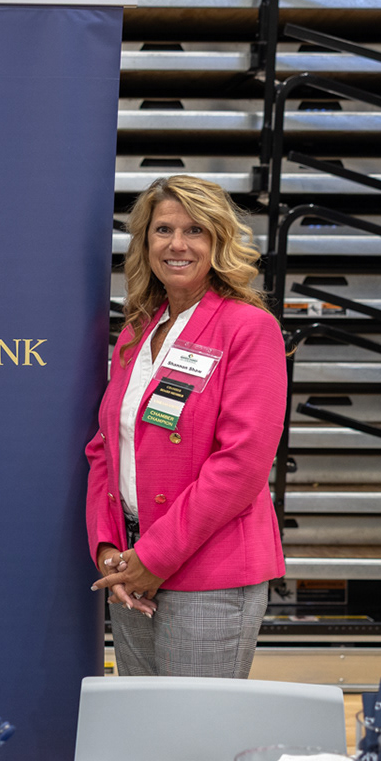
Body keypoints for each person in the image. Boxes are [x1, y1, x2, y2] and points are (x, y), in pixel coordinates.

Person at [85, 175, 288, 678]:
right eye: (163, 230)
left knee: (196, 727)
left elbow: (241, 466)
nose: (177, 244)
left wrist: (154, 558)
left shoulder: (248, 328)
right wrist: (109, 548)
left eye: (195, 230)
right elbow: (105, 446)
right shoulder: (137, 331)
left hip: (209, 573)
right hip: (130, 565)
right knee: (145, 724)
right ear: (145, 242)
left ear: (218, 241)